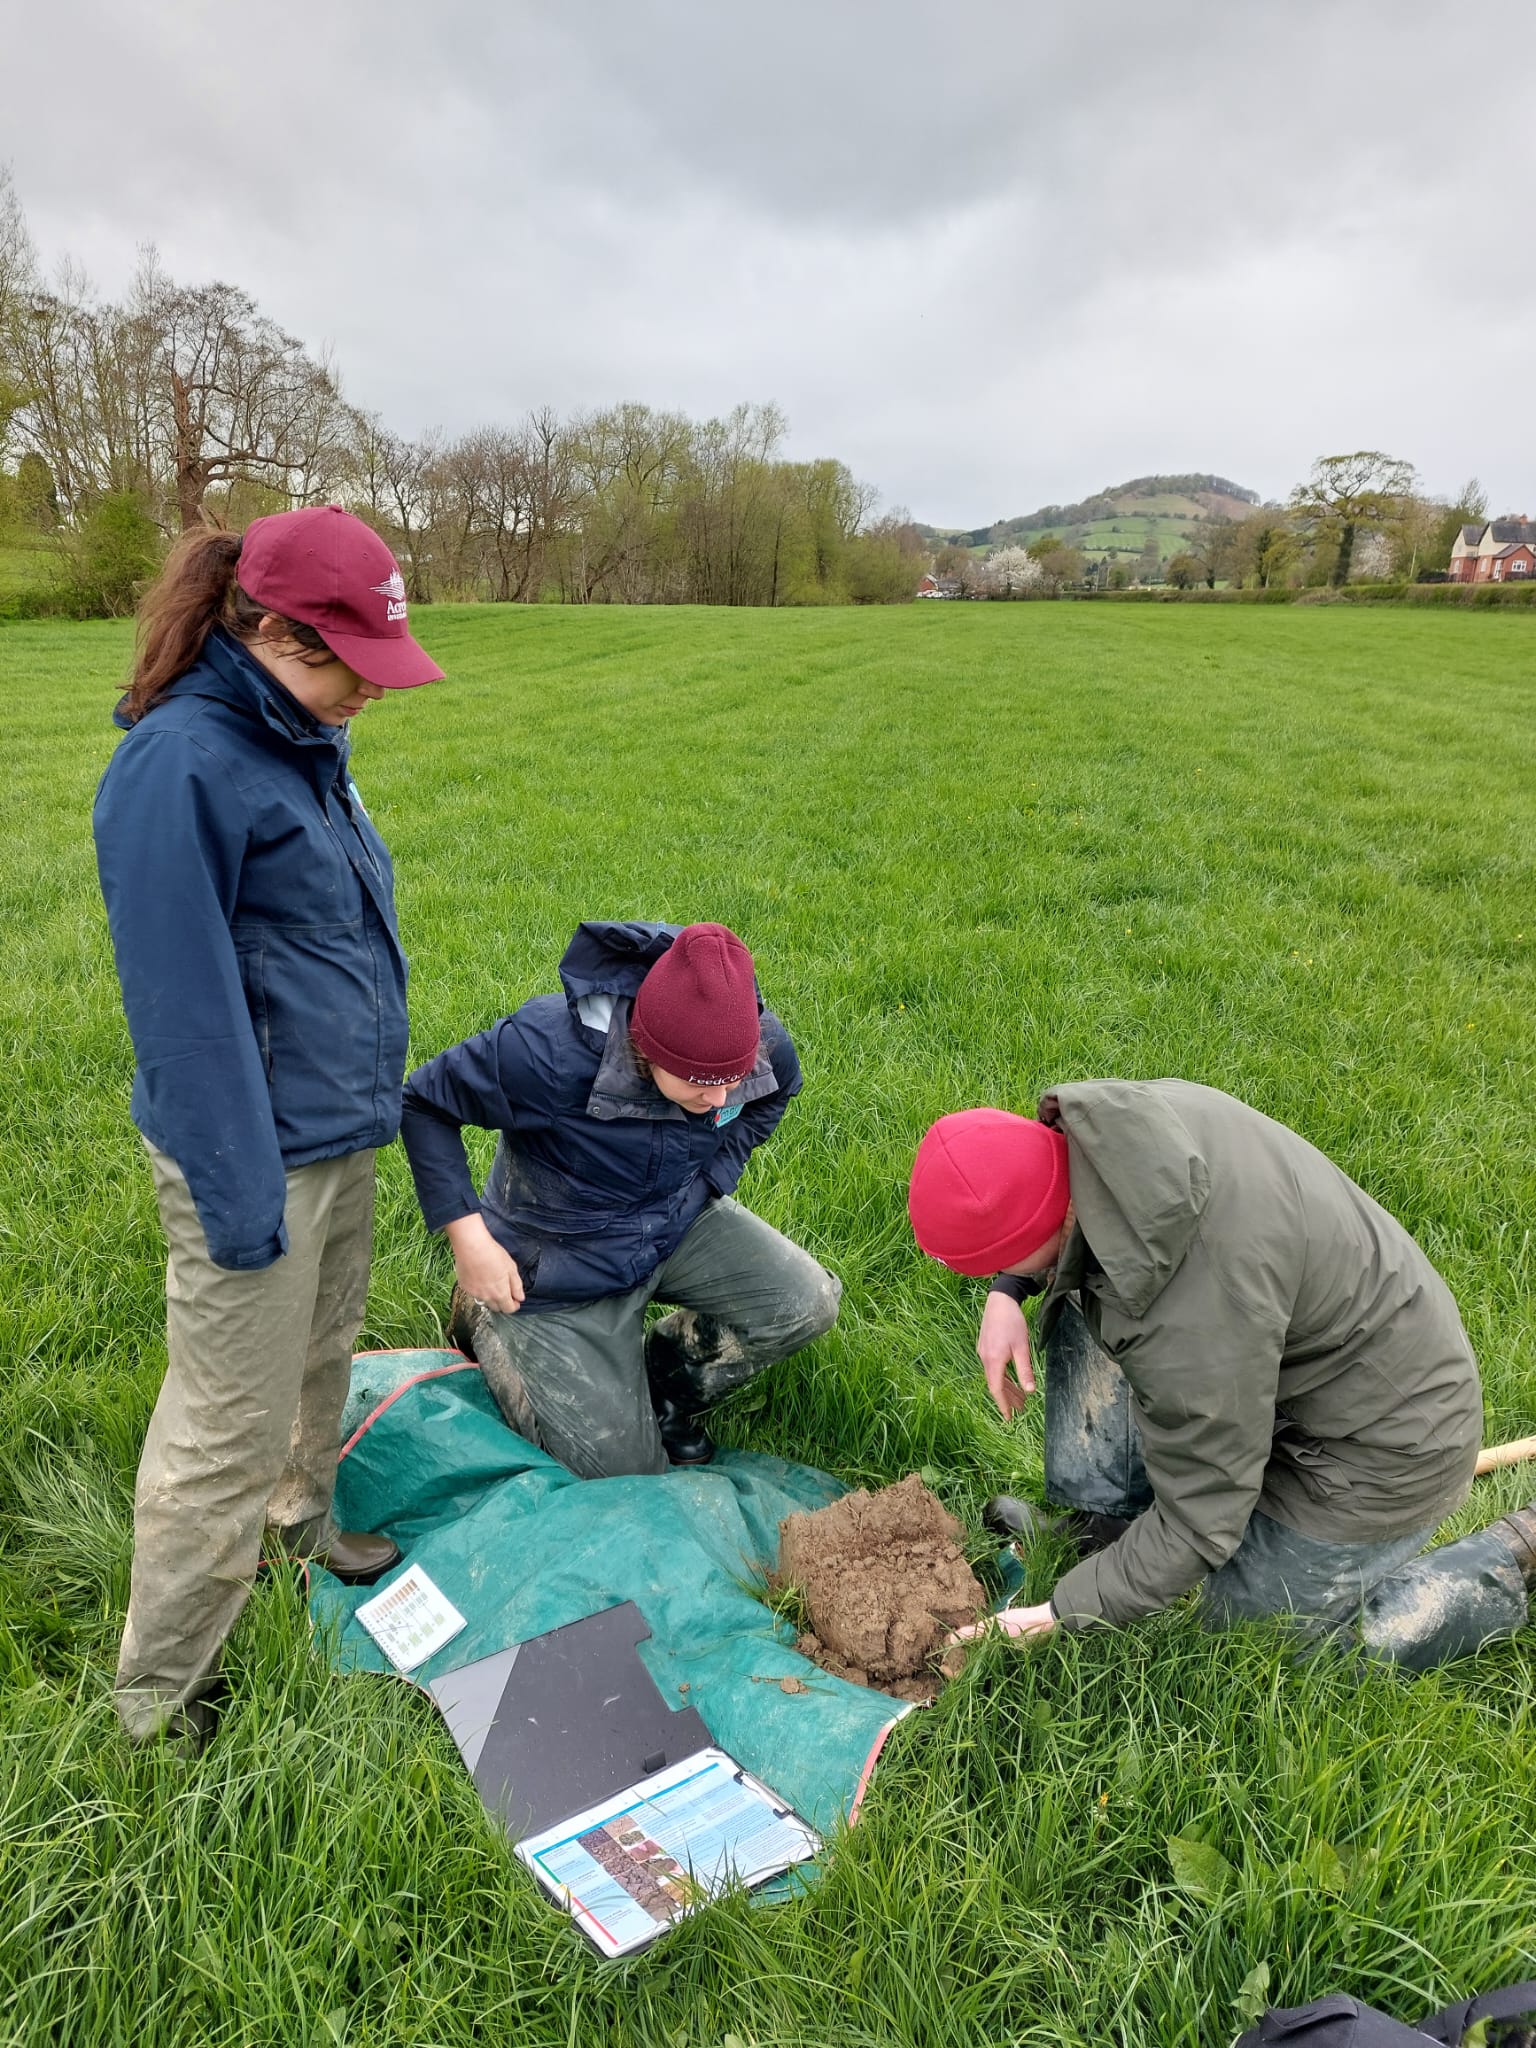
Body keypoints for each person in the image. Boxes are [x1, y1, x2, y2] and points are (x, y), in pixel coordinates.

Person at [94, 505, 442, 1755]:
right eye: (354, 664)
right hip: (251, 1155)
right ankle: (158, 1698)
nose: (373, 693)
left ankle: (304, 1527)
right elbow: (184, 1019)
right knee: (220, 1428)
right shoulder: (181, 766)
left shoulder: (301, 737)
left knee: (318, 1356)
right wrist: (242, 1209)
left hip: (332, 1130)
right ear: (275, 630)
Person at [907, 1079, 1536, 1668]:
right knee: (1079, 1289)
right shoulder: (1109, 1134)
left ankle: (1509, 1553)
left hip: (1387, 1443)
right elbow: (1047, 1218)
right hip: (1286, 1359)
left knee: (1257, 1642)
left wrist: (1062, 1613)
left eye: (991, 1264)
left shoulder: (1190, 1315)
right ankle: (1109, 1534)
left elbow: (1204, 1516)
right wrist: (1008, 1290)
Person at [399, 920, 840, 1478]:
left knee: (807, 1302)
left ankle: (663, 1390)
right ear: (647, 1046)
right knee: (623, 1475)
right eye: (701, 1085)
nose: (720, 1098)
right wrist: (468, 1239)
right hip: (557, 1264)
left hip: (671, 1221)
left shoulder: (757, 1043)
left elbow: (768, 1100)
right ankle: (489, 1329)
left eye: (731, 1080)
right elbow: (424, 1103)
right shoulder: (545, 1054)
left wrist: (707, 1183)